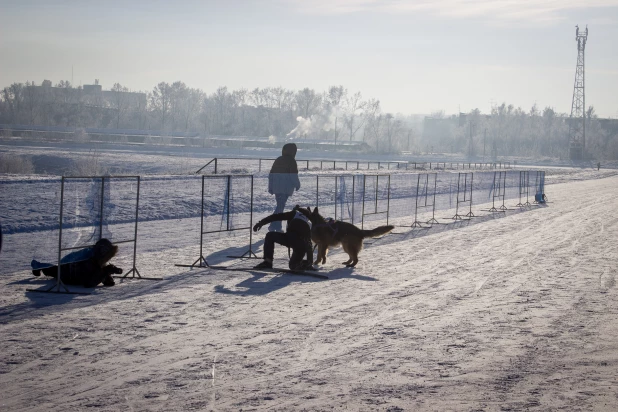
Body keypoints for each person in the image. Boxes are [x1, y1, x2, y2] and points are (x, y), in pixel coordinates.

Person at [31, 238, 121, 287]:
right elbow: (90, 283)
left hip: (70, 269)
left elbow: (99, 273)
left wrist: (107, 274)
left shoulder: (93, 258)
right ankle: (36, 265)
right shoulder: (89, 261)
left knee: (53, 270)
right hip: (68, 271)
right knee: (53, 270)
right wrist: (106, 271)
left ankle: (37, 265)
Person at [252, 205, 315, 271]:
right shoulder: (309, 223)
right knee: (293, 266)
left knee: (270, 236)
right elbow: (309, 244)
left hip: (289, 238)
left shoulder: (295, 213)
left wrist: (261, 223)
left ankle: (268, 262)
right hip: (300, 246)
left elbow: (276, 217)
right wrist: (310, 262)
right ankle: (301, 264)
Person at [267, 143, 301, 232]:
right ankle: (274, 226)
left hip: (277, 188)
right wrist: (297, 184)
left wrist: (270, 187)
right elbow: (293, 175)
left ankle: (275, 226)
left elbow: (271, 174)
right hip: (285, 188)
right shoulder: (291, 161)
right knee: (280, 207)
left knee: (280, 207)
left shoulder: (278, 159)